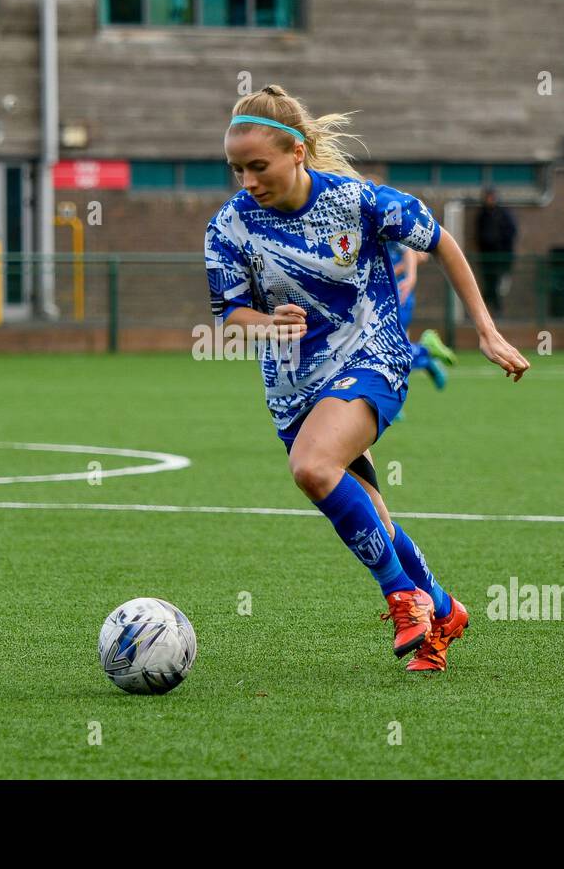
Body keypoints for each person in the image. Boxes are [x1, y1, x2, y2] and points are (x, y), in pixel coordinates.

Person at [206, 84, 529, 672]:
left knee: (311, 467)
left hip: (370, 356)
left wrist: (485, 330)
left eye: (259, 166)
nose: (247, 180)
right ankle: (442, 610)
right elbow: (229, 312)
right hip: (293, 387)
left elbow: (444, 243)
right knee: (371, 515)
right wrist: (266, 321)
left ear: (296, 152)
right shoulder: (229, 226)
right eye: (236, 169)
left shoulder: (358, 201)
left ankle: (403, 600)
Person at [385, 240, 452, 396]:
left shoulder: (391, 219)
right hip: (383, 294)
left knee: (391, 347)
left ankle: (425, 351)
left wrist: (393, 272)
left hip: (398, 293)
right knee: (386, 348)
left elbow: (421, 255)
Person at [474, 186, 517, 314]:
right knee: (489, 282)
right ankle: (489, 308)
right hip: (486, 256)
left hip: (500, 256)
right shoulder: (483, 215)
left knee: (496, 283)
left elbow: (511, 232)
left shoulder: (503, 214)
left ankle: (493, 308)